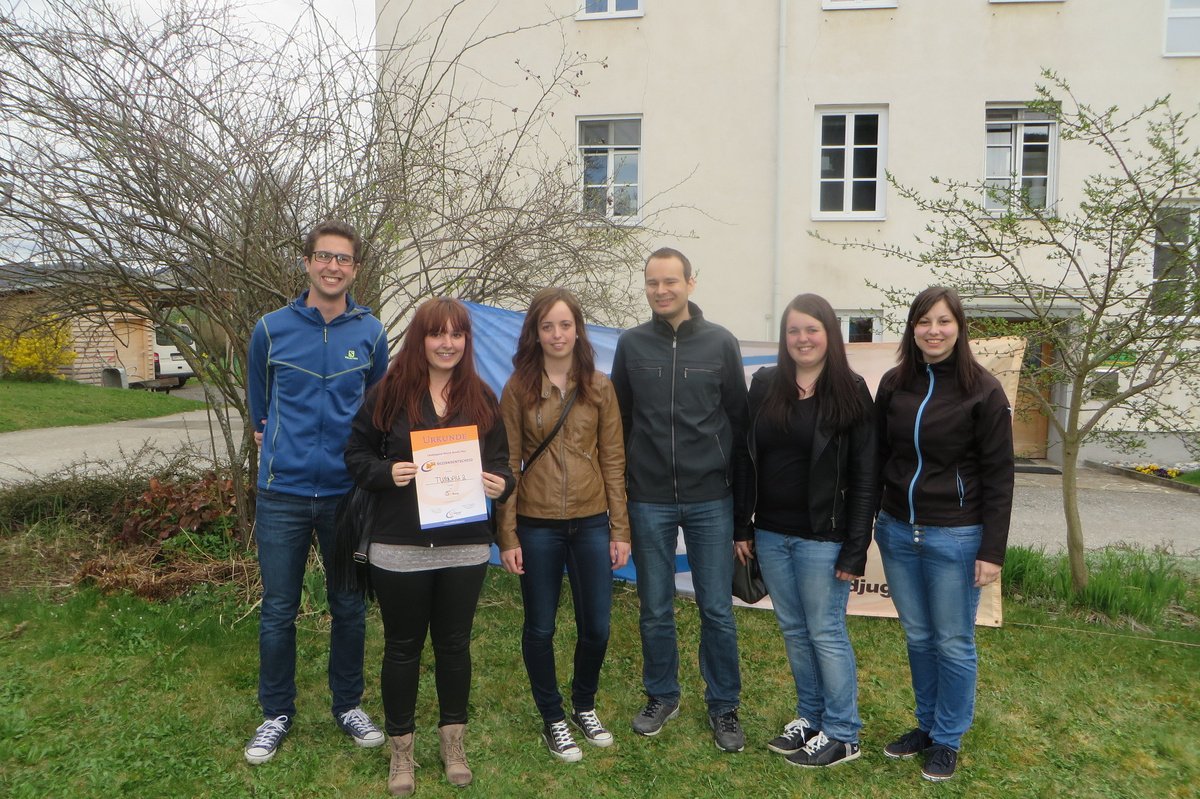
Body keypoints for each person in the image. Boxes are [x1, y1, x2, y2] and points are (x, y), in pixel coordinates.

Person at [344, 297, 514, 796]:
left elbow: (501, 462)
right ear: (420, 339)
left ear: (466, 341)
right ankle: (402, 750)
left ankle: (452, 742)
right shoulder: (389, 394)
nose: (447, 343)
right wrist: (385, 472)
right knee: (402, 647)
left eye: (456, 334)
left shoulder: (481, 396)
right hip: (400, 544)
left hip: (463, 545)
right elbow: (355, 454)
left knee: (454, 645)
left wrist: (500, 483)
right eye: (437, 333)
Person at [244, 220, 390, 764]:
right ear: (307, 263)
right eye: (324, 256)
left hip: (345, 494)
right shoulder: (270, 330)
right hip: (281, 492)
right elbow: (260, 408)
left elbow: (378, 411)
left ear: (355, 269)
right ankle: (275, 713)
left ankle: (347, 705)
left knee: (348, 605)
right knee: (279, 608)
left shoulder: (371, 333)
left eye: (343, 259)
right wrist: (270, 438)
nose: (333, 267)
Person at [610, 247, 750, 752]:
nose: (661, 290)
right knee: (655, 607)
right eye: (653, 282)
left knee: (716, 609)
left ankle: (724, 705)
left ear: (691, 282)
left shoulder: (720, 343)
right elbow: (620, 421)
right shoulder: (631, 345)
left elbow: (739, 423)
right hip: (649, 498)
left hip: (711, 496)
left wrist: (742, 517)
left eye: (670, 281)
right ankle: (662, 695)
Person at [874, 286, 1014, 782]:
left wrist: (992, 550)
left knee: (953, 641)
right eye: (924, 321)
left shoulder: (984, 391)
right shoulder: (894, 383)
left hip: (955, 536)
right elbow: (877, 457)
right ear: (912, 328)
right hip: (897, 530)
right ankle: (927, 725)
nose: (933, 331)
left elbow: (1000, 476)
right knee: (918, 636)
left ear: (959, 327)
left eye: (943, 321)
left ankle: (948, 739)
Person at [733, 293, 876, 768]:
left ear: (829, 334)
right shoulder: (766, 384)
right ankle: (810, 718)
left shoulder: (851, 391)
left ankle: (843, 733)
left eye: (812, 329)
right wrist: (743, 525)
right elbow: (746, 460)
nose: (802, 338)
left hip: (824, 538)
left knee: (825, 631)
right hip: (772, 533)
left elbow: (866, 477)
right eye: (793, 330)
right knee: (794, 630)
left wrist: (855, 548)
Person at [497, 288, 632, 763]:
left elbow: (613, 460)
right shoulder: (518, 388)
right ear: (535, 333)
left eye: (565, 325)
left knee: (597, 626)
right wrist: (507, 535)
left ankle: (583, 704)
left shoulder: (599, 386)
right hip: (536, 525)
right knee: (540, 626)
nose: (557, 334)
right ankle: (553, 716)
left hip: (591, 521)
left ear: (578, 330)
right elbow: (507, 465)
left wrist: (620, 529)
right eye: (547, 326)